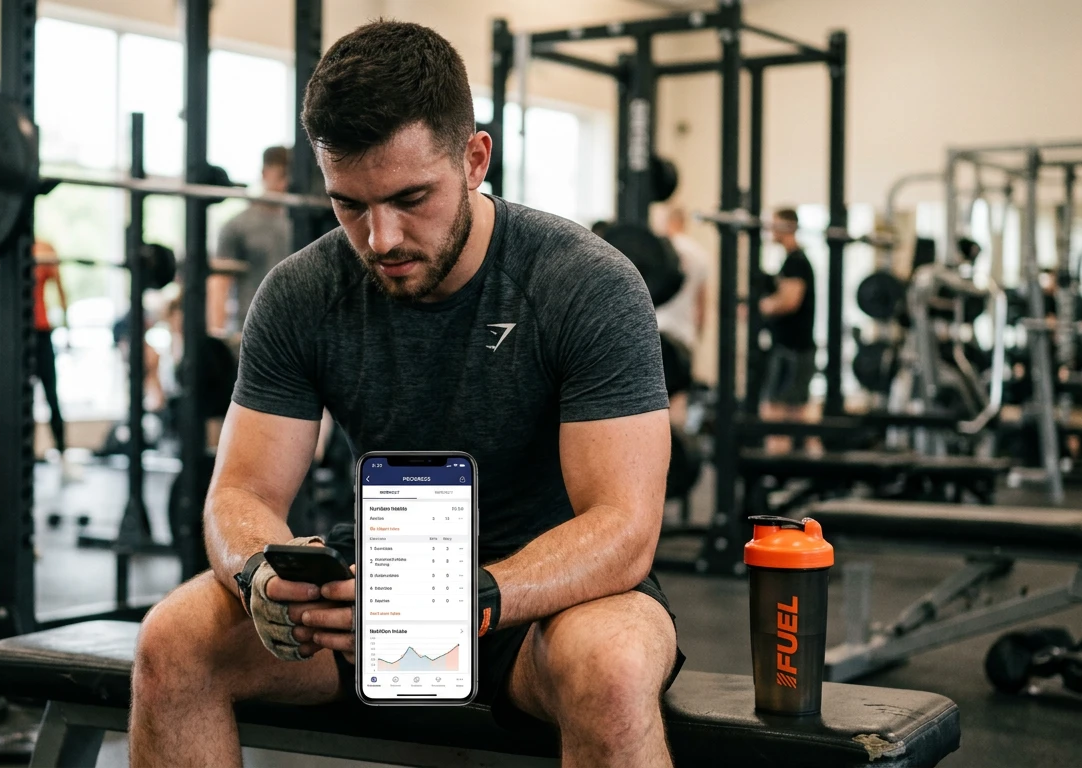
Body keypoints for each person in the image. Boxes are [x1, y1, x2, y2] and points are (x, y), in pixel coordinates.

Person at [132, 20, 681, 768]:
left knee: (613, 669)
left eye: (410, 197)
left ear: (475, 157)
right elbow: (241, 491)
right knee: (173, 640)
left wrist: (474, 597)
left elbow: (624, 527)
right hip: (372, 595)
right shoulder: (301, 293)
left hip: (551, 602)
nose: (381, 237)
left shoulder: (585, 283)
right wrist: (259, 570)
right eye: (349, 205)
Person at [208, 146, 293, 338]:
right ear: (265, 173)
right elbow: (220, 285)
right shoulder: (237, 226)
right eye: (282, 174)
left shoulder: (304, 225)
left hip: (295, 333)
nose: (286, 183)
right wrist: (217, 337)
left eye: (291, 176)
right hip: (252, 331)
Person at [758, 208, 817, 452]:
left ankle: (776, 467)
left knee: (775, 411)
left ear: (788, 227)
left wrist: (761, 306)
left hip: (792, 349)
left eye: (775, 225)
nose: (771, 230)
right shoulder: (790, 261)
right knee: (794, 412)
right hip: (791, 347)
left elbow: (790, 301)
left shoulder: (796, 261)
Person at [657, 205, 710, 428]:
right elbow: (702, 304)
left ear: (669, 222)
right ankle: (677, 456)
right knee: (679, 401)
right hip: (683, 336)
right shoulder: (700, 254)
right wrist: (696, 337)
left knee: (652, 403)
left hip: (657, 331)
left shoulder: (659, 250)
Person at [30, 241, 78, 481]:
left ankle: (63, 458)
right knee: (17, 401)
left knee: (51, 396)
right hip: (15, 335)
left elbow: (60, 290)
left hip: (41, 333)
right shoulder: (6, 245)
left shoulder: (45, 248)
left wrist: (67, 328)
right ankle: (21, 461)